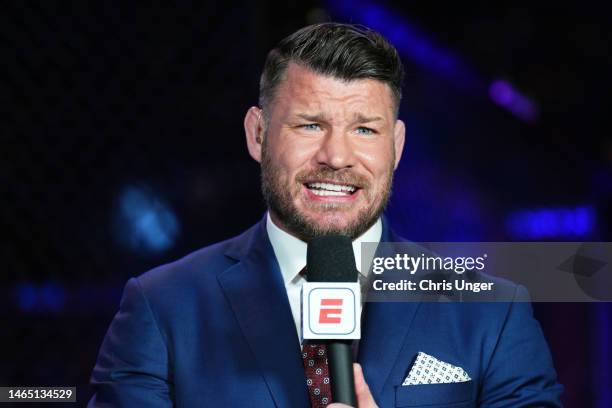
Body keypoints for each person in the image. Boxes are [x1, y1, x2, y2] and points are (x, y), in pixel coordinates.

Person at [88, 23, 563, 407]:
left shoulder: (491, 312)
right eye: (310, 124)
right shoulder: (162, 307)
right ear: (258, 135)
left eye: (363, 129)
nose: (336, 156)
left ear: (395, 146)